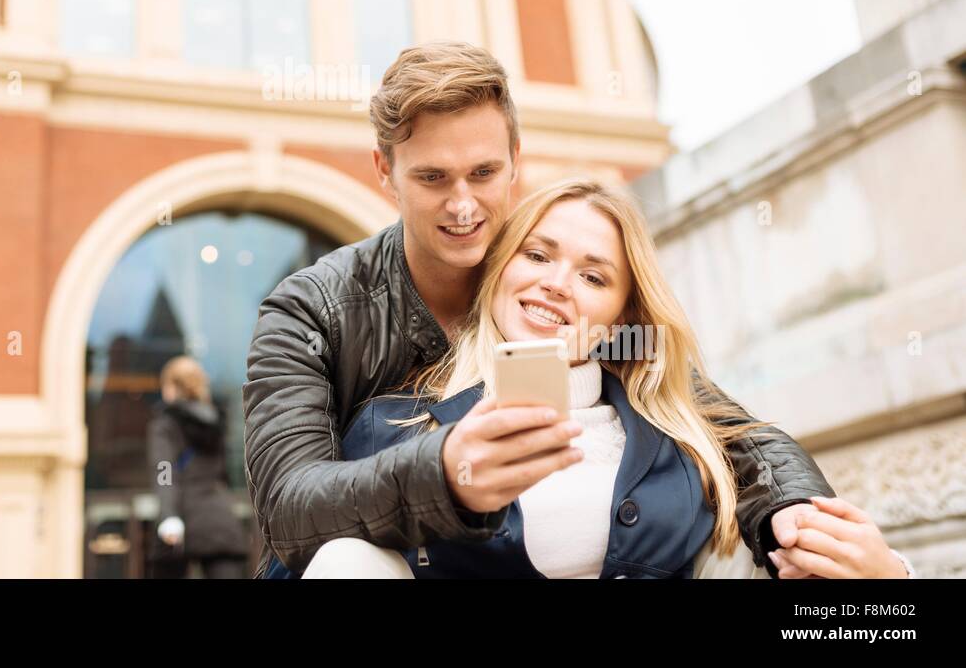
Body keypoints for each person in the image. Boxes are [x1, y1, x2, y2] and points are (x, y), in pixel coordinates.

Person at [243, 41, 840, 580]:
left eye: (484, 173)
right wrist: (446, 472)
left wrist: (796, 517)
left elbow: (719, 426)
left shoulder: (539, 281)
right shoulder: (313, 311)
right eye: (432, 177)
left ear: (515, 161)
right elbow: (292, 509)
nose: (463, 206)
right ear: (385, 171)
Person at [282, 178, 915, 578]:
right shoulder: (392, 424)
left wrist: (887, 581)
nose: (556, 283)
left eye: (593, 276)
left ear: (621, 316)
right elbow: (304, 540)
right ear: (499, 270)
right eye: (537, 255)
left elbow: (765, 473)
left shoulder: (680, 439)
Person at [146, 356, 250, 579]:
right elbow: (222, 474)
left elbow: (164, 471)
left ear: (171, 387)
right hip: (221, 522)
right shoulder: (217, 423)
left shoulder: (165, 425)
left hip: (180, 520)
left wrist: (168, 516)